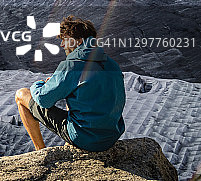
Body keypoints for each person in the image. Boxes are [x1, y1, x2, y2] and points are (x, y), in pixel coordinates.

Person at [14, 15, 125, 152]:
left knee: (21, 95)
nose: (62, 45)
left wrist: (39, 85)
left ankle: (40, 151)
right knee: (74, 95)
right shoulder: (112, 64)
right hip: (111, 137)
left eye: (65, 40)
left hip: (84, 139)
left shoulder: (72, 65)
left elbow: (44, 100)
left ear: (78, 41)